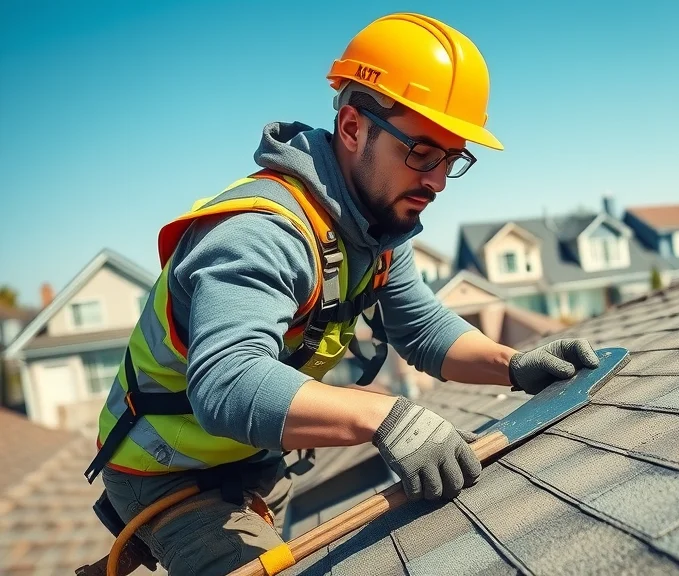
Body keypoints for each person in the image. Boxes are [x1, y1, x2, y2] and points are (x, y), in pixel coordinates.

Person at [82, 12, 599, 576]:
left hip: (252, 458)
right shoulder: (262, 233)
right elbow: (226, 382)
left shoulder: (373, 227)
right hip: (165, 470)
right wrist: (386, 417)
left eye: (452, 159)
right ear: (353, 128)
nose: (437, 180)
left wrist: (515, 365)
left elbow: (423, 330)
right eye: (423, 152)